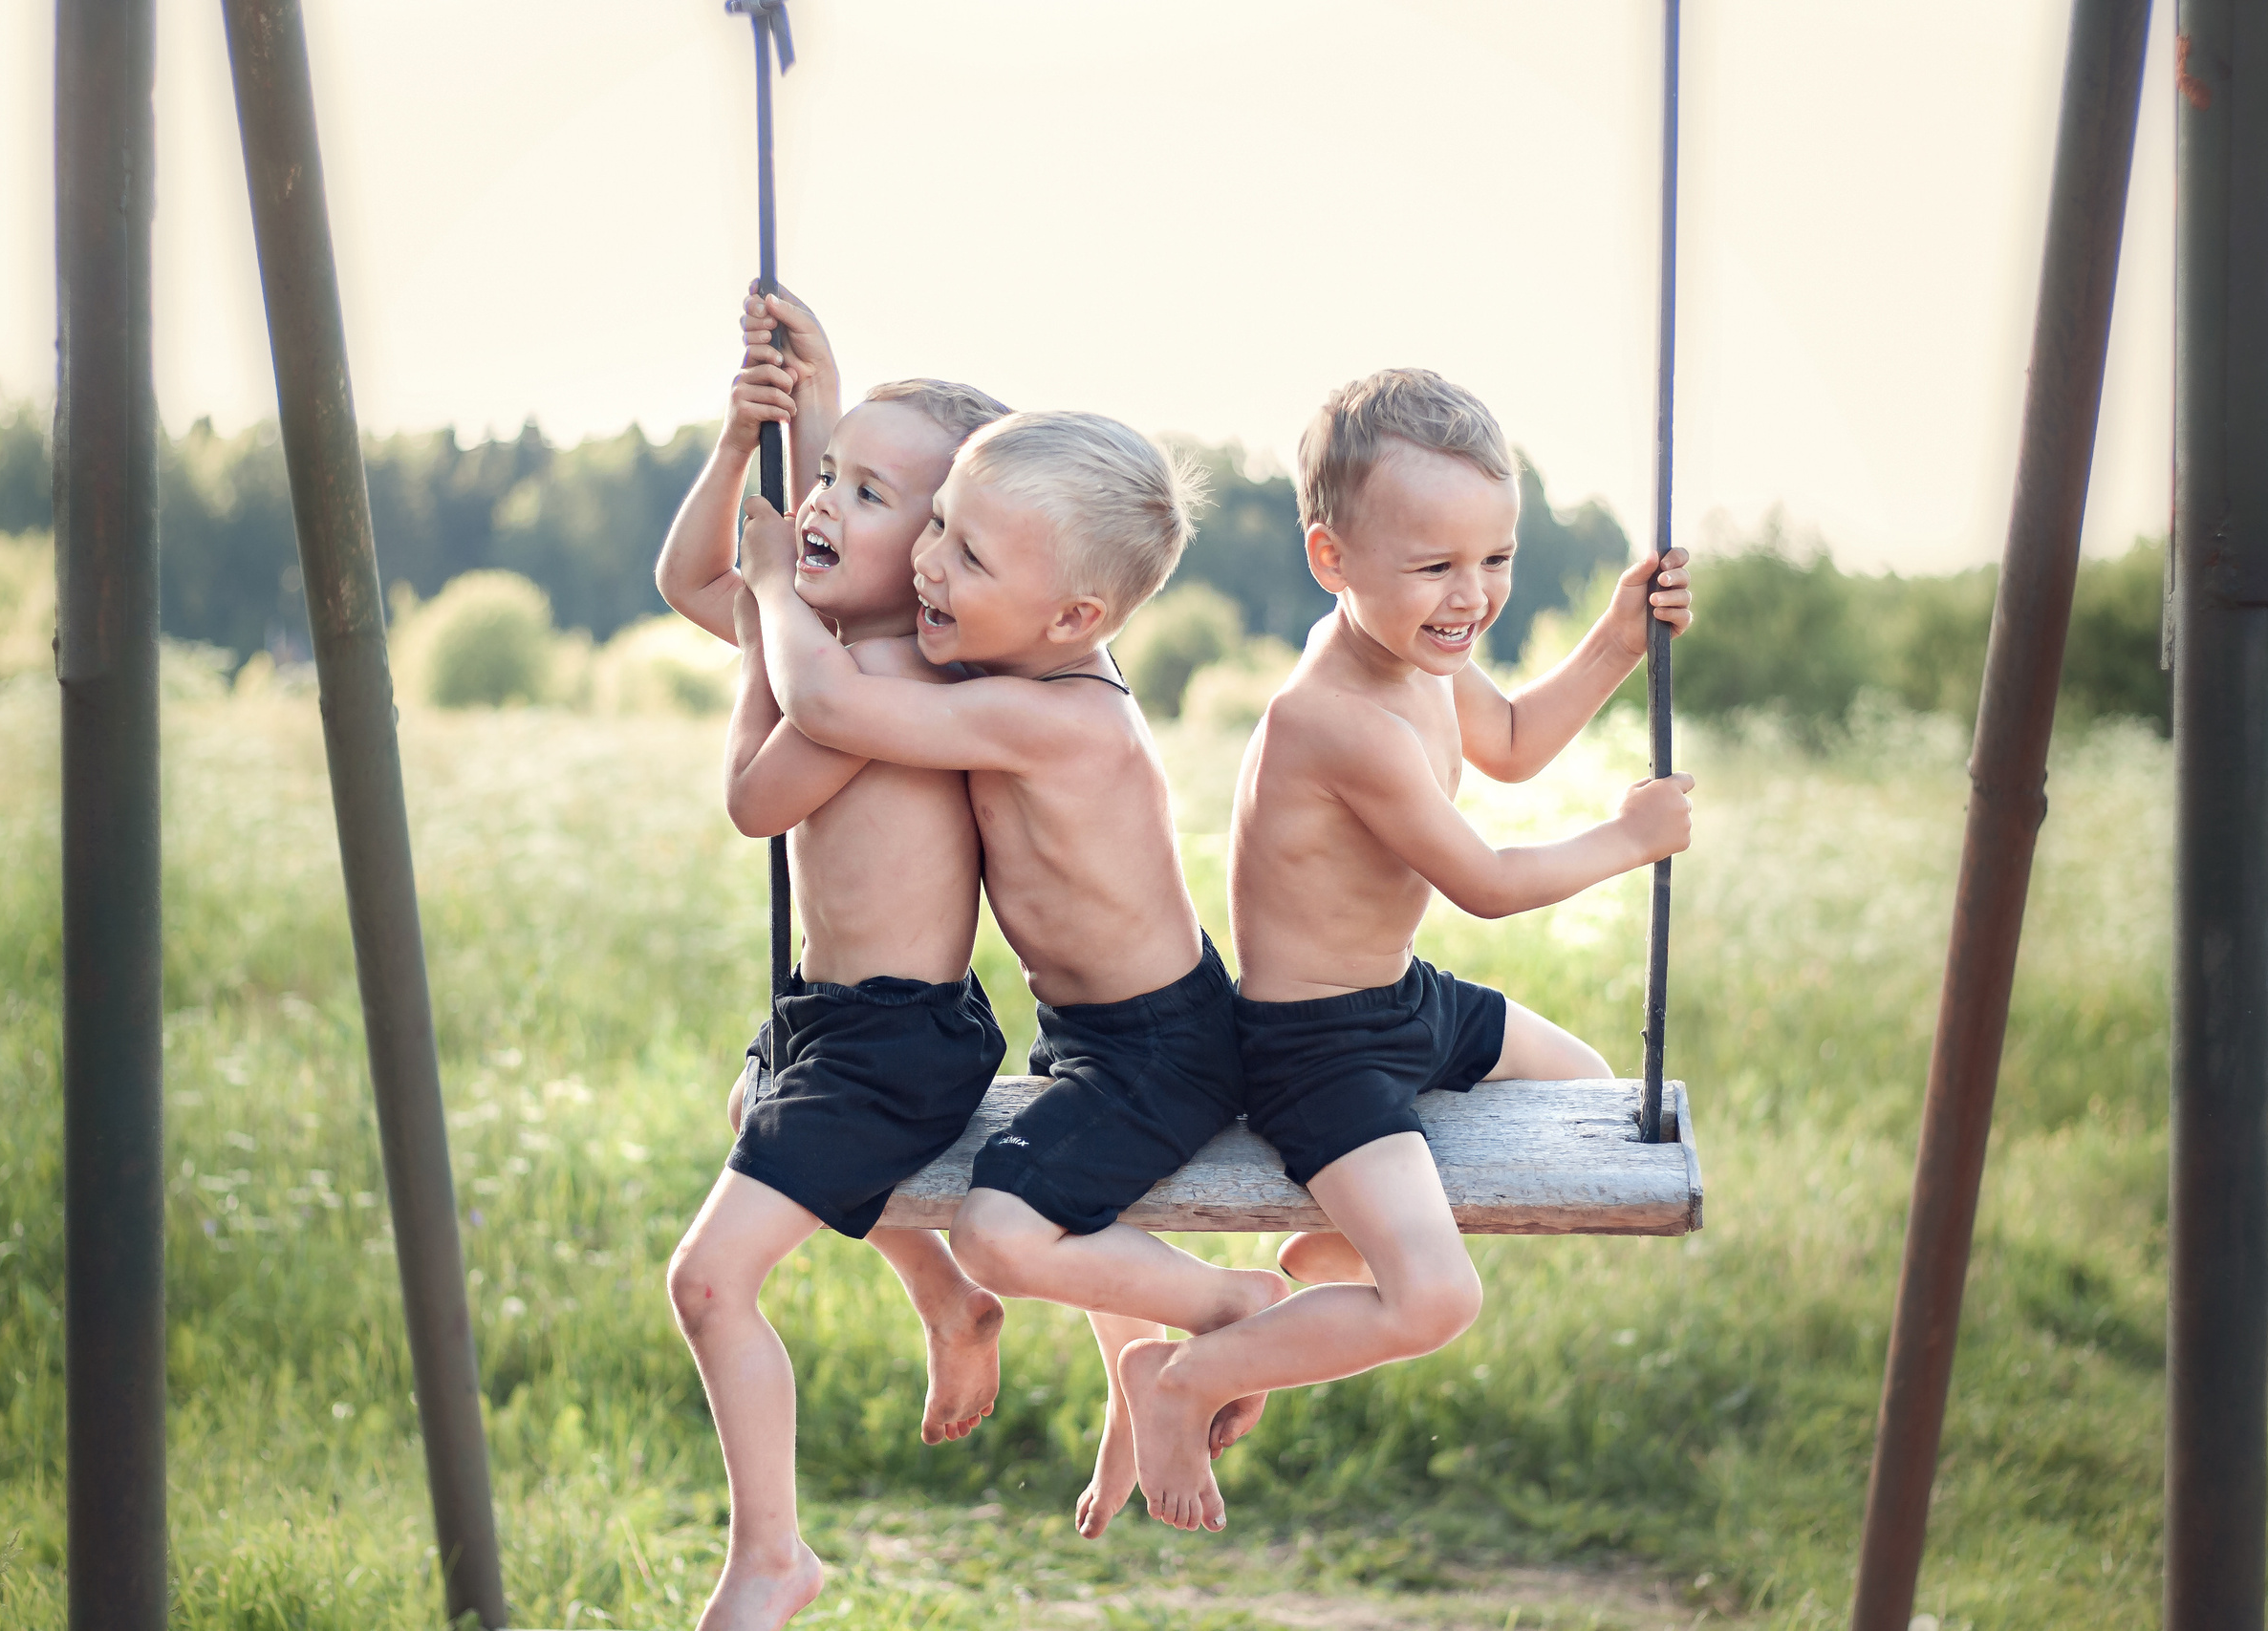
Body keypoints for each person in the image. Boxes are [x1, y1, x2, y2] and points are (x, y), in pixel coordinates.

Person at [1110, 367, 1697, 1533]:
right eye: (1433, 566)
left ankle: (1303, 1283)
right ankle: (1184, 1381)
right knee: (1435, 1301)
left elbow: (1520, 740)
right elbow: (1481, 883)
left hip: (1401, 1001)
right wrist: (1628, 841)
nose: (1467, 596)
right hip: (1313, 1051)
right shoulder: (1338, 716)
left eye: (1494, 559)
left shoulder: (1421, 661)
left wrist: (1617, 642)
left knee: (1579, 1094)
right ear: (1332, 560)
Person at [736, 411, 1289, 1541]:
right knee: (1056, 1191)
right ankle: (1135, 1381)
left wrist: (769, 587)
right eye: (935, 523)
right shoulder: (1010, 666)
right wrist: (807, 422)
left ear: (1072, 618)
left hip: (1165, 1049)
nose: (930, 563)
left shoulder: (1054, 715)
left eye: (969, 556)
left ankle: (1233, 1310)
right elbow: (847, 663)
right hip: (1094, 1035)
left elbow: (831, 702)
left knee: (1001, 1228)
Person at [656, 287, 1013, 1630]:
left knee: (709, 1275)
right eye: (830, 480)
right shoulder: (833, 635)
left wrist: (770, 600)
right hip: (832, 1020)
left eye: (868, 495)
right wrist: (750, 437)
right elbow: (690, 579)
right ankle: (948, 1290)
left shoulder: (901, 679)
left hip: (899, 1035)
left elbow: (757, 793)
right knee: (754, 1105)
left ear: (941, 558)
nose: (823, 507)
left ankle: (771, 1556)